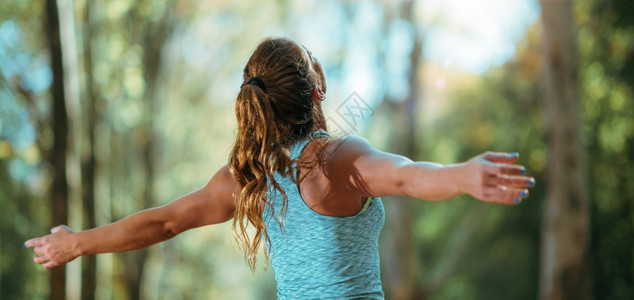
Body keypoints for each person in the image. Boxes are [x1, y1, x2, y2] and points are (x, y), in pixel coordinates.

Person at [25, 37, 535, 299]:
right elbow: (403, 174)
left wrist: (77, 242)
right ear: (315, 91)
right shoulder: (339, 159)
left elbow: (165, 221)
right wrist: (462, 175)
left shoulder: (248, 177)